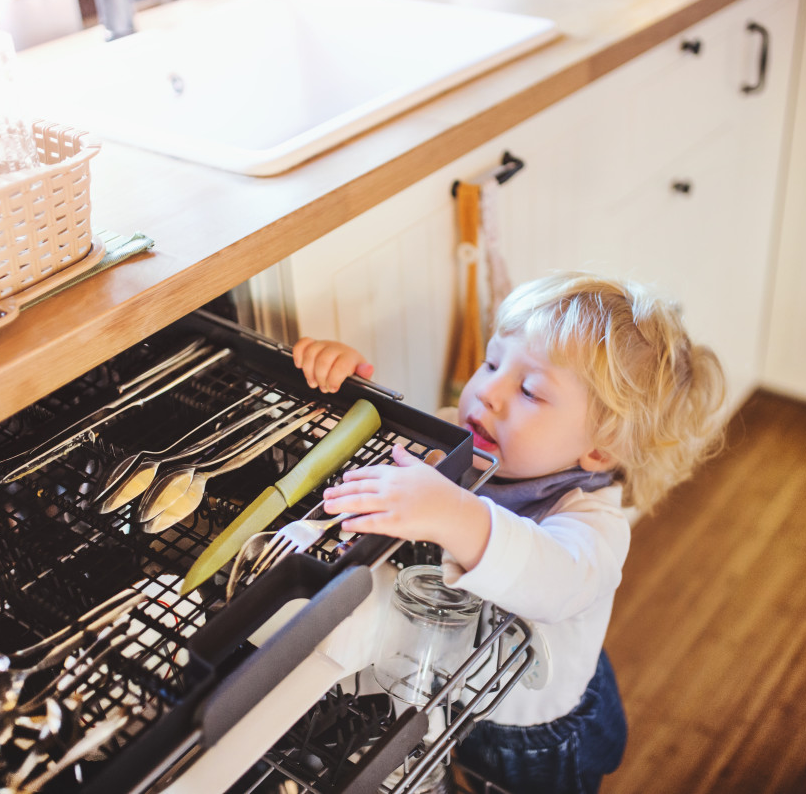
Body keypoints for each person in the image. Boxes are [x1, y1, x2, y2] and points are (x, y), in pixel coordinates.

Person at [292, 271, 726, 794]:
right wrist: (341, 391)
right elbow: (381, 459)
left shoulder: (594, 523)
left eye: (530, 391)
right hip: (449, 694)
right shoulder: (458, 431)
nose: (487, 393)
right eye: (492, 362)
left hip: (532, 729)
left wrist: (454, 513)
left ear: (599, 450)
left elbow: (556, 579)